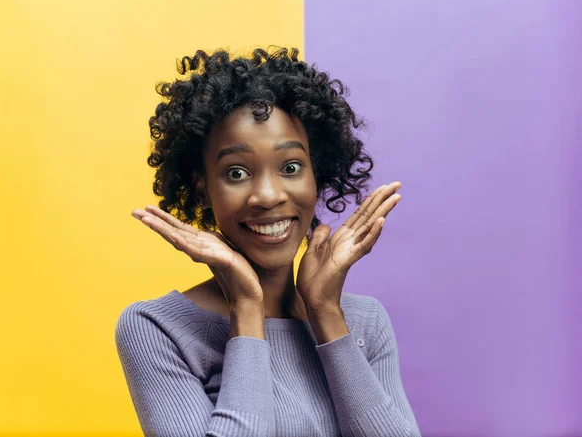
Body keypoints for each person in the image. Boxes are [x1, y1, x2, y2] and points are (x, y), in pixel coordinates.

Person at [115, 47, 421, 437]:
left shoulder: (365, 322)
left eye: (291, 167)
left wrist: (325, 313)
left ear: (316, 175)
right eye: (237, 172)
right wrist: (246, 308)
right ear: (203, 188)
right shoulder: (159, 329)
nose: (268, 195)